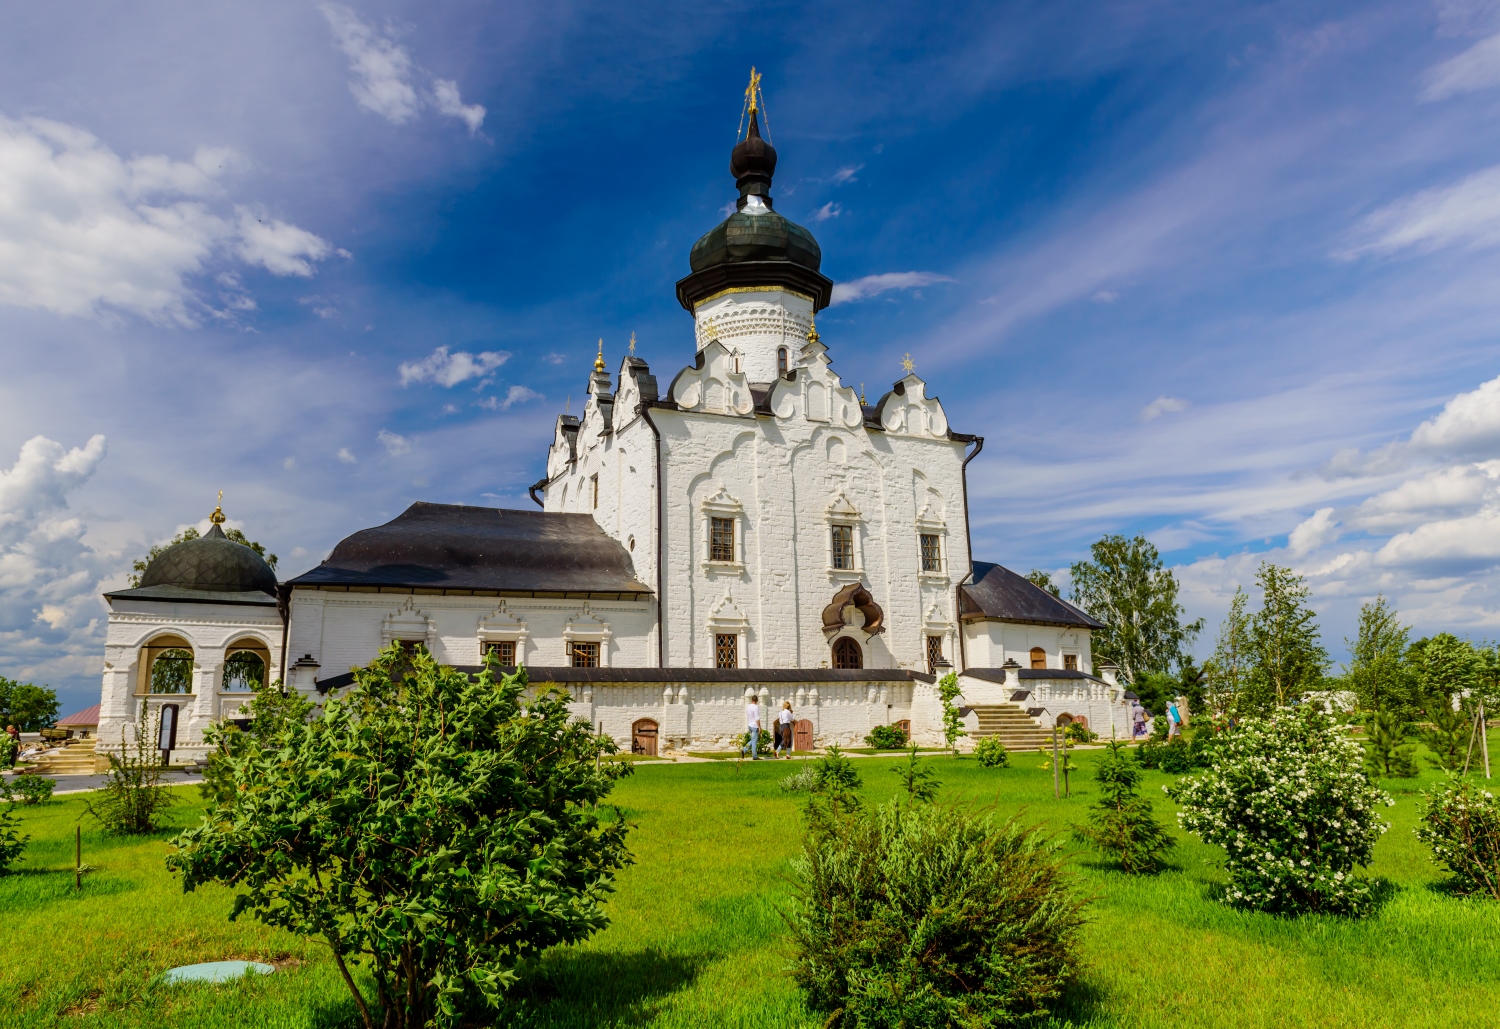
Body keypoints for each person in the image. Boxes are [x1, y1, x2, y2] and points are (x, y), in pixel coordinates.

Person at [745, 694, 761, 759]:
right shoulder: (755, 707)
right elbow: (757, 718)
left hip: (749, 724)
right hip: (754, 725)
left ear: (752, 699)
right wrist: (759, 727)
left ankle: (744, 750)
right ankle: (754, 756)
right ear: (757, 700)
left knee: (752, 740)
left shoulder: (748, 706)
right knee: (754, 741)